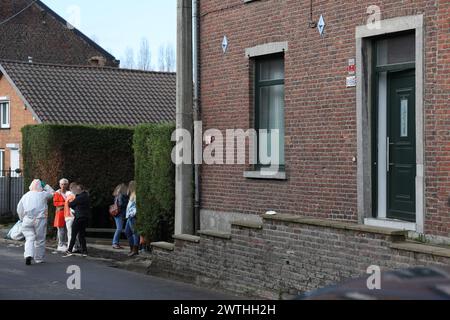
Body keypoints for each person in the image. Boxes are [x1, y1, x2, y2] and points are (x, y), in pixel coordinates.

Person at [17, 179, 54, 265]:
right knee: (40, 239)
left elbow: (19, 209)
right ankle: (39, 258)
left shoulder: (25, 195)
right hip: (39, 219)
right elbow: (53, 193)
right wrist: (46, 186)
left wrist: (22, 218)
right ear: (40, 186)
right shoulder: (43, 194)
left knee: (29, 238)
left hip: (27, 219)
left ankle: (28, 255)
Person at [63, 183, 90, 257]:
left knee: (73, 234)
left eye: (77, 189)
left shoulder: (80, 197)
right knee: (82, 234)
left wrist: (75, 208)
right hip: (85, 217)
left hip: (78, 217)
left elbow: (70, 204)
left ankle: (69, 250)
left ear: (80, 190)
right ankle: (84, 251)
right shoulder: (86, 196)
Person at [53, 178, 70, 252]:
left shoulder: (69, 193)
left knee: (67, 229)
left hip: (68, 213)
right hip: (60, 213)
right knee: (61, 230)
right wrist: (65, 203)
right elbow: (55, 203)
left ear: (67, 185)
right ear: (60, 185)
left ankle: (66, 243)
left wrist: (63, 204)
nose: (63, 185)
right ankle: (60, 244)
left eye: (65, 184)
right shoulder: (57, 193)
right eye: (62, 184)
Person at [112, 183, 129, 249]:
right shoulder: (121, 195)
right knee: (119, 228)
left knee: (119, 228)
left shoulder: (117, 195)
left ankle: (116, 243)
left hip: (117, 213)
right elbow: (121, 204)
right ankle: (115, 243)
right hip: (120, 213)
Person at [125, 181, 139, 257]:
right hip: (129, 216)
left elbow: (137, 205)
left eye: (129, 186)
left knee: (134, 232)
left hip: (132, 216)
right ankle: (131, 248)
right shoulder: (131, 194)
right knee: (127, 232)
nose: (128, 188)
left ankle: (135, 250)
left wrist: (133, 213)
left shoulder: (135, 194)